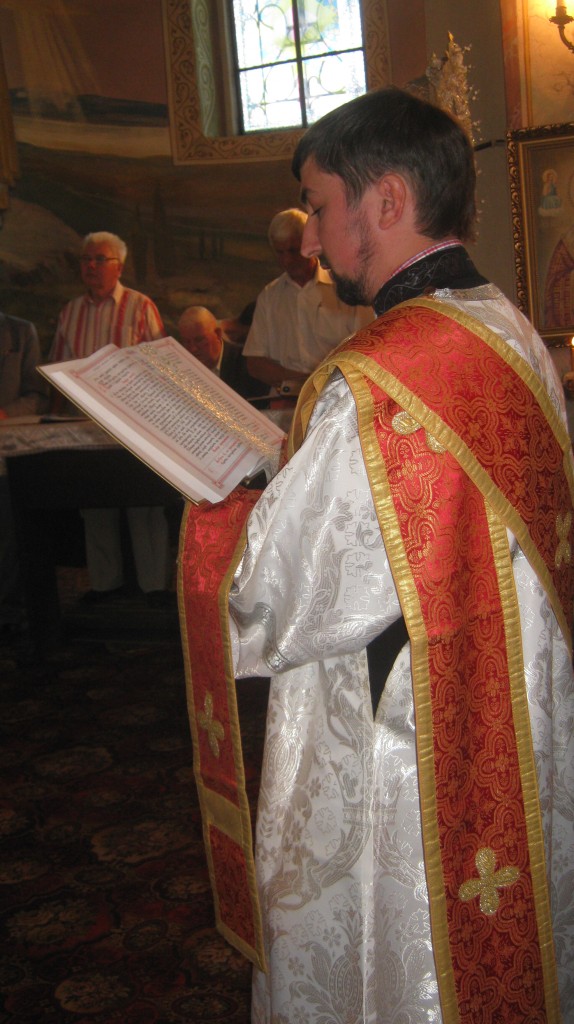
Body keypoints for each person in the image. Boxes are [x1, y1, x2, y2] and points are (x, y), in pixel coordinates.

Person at [179, 87, 574, 1023]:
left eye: (320, 208)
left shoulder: (383, 378)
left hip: (417, 741)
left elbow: (275, 596)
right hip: (507, 702)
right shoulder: (503, 324)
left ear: (386, 199)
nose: (312, 239)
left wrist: (211, 514)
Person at [50, 231, 172, 606]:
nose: (91, 265)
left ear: (119, 266)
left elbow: (161, 366)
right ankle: (105, 586)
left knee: (144, 505)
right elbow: (57, 368)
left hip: (137, 422)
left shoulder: (140, 306)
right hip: (86, 425)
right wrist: (54, 418)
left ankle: (154, 589)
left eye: (100, 259)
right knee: (95, 505)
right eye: (86, 259)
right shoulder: (70, 312)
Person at [242, 207, 373, 398]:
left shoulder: (346, 288)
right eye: (280, 252)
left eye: (293, 251)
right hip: (284, 401)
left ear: (309, 245)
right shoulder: (270, 296)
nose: (287, 260)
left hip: (338, 397)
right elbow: (255, 363)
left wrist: (320, 384)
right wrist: (303, 382)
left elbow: (368, 353)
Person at [0, 312, 49, 635]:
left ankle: (9, 612)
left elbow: (37, 396)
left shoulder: (19, 332)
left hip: (7, 454)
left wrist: (4, 413)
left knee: (8, 539)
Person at [177, 304, 267, 401]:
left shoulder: (247, 365)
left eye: (199, 340)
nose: (193, 349)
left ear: (218, 334)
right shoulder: (182, 370)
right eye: (186, 342)